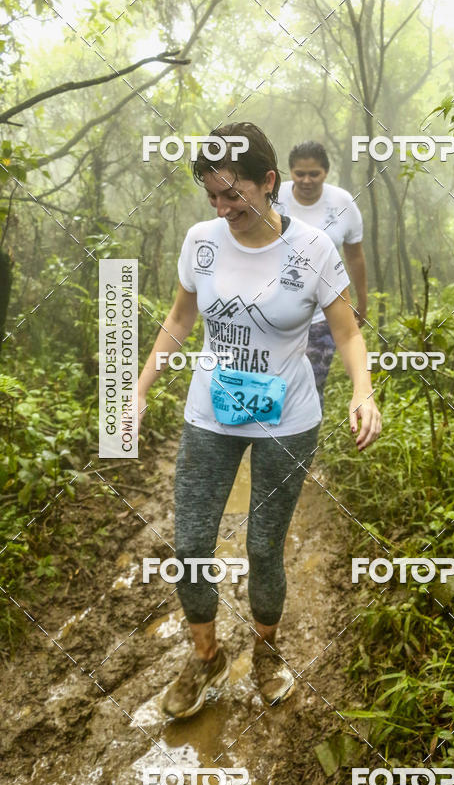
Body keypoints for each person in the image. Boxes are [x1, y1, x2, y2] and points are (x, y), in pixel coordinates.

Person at [137, 122, 381, 718]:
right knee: (191, 543)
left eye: (234, 195)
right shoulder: (202, 240)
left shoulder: (314, 249)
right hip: (210, 416)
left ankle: (267, 652)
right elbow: (179, 319)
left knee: (264, 546)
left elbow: (346, 330)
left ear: (268, 182)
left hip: (288, 418)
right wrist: (137, 388)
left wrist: (362, 391)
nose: (223, 209)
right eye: (213, 197)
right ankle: (205, 656)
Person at [277, 141, 367, 411]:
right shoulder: (273, 196)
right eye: (299, 173)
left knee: (311, 384)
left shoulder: (343, 203)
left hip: (323, 313)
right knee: (271, 380)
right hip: (273, 310)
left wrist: (361, 301)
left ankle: (300, 448)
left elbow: (355, 256)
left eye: (313, 174)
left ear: (326, 173)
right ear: (290, 172)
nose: (306, 180)